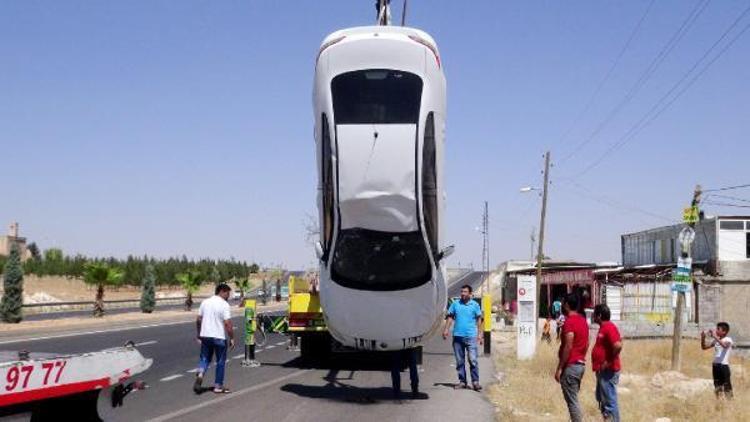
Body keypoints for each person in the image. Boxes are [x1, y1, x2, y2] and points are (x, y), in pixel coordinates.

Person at [194, 283, 235, 394]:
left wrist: (199, 334)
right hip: (219, 337)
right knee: (220, 361)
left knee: (205, 358)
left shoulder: (205, 302)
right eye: (227, 293)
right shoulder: (224, 305)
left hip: (205, 336)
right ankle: (218, 386)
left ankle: (201, 372)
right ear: (222, 291)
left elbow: (198, 320)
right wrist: (231, 338)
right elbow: (227, 324)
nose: (228, 296)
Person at [555, 293, 589, 422]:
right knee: (573, 398)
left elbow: (568, 346)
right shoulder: (583, 321)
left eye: (564, 303)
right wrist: (581, 356)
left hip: (571, 366)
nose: (562, 306)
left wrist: (559, 368)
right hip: (580, 365)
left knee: (572, 402)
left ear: (567, 305)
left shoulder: (569, 322)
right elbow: (587, 343)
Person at [443, 284, 483, 391]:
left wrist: (480, 334)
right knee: (460, 361)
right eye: (462, 292)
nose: (462, 294)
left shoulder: (475, 305)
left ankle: (475, 382)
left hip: (471, 336)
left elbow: (479, 319)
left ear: (470, 293)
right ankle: (462, 382)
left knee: (473, 360)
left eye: (465, 292)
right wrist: (446, 329)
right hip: (457, 336)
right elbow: (450, 317)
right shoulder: (455, 304)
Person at [592, 304, 622, 422]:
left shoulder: (609, 327)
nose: (593, 316)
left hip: (608, 371)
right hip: (602, 371)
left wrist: (608, 361)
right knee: (602, 400)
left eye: (595, 314)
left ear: (599, 315)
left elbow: (618, 345)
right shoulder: (603, 328)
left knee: (610, 401)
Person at [701, 322, 734, 399]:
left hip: (724, 366)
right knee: (717, 386)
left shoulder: (728, 339)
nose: (716, 330)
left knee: (727, 386)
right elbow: (704, 347)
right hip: (716, 366)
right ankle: (719, 402)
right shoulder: (716, 340)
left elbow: (725, 346)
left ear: (724, 331)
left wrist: (715, 337)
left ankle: (730, 403)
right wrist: (703, 338)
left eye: (718, 329)